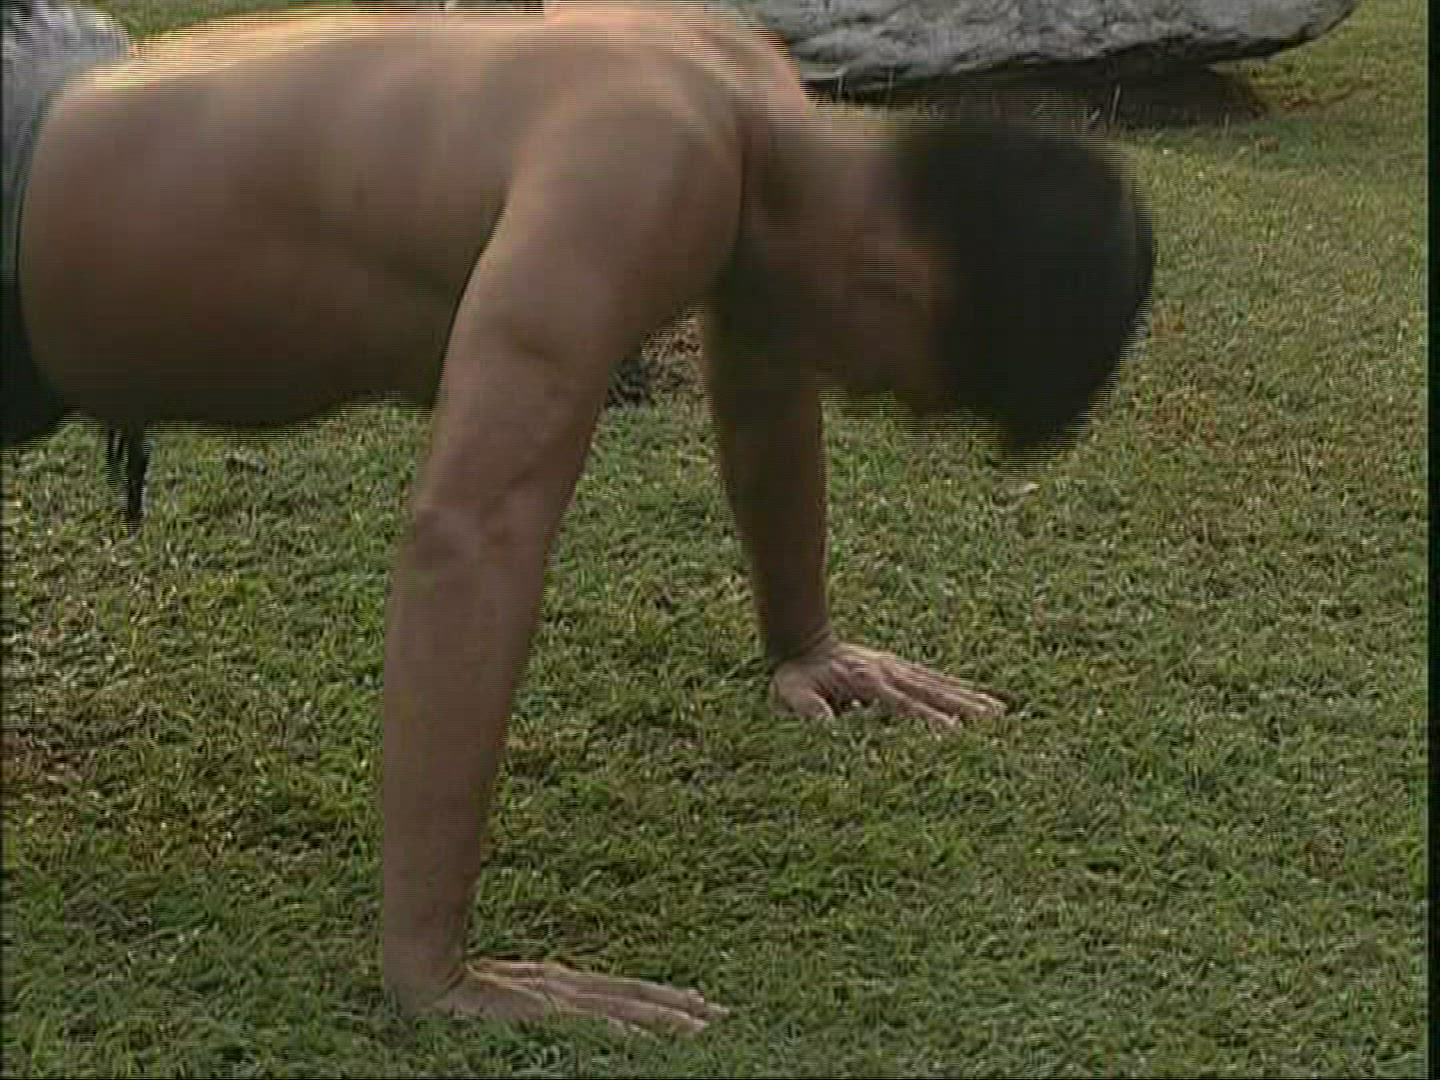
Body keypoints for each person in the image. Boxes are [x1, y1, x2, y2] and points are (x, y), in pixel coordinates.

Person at [2, 0, 1153, 1032]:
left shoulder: (744, 94)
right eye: (902, 393)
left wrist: (802, 638)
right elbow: (473, 531)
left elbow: (765, 381)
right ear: (901, 285)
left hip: (65, 87)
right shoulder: (648, 167)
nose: (874, 404)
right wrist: (432, 966)